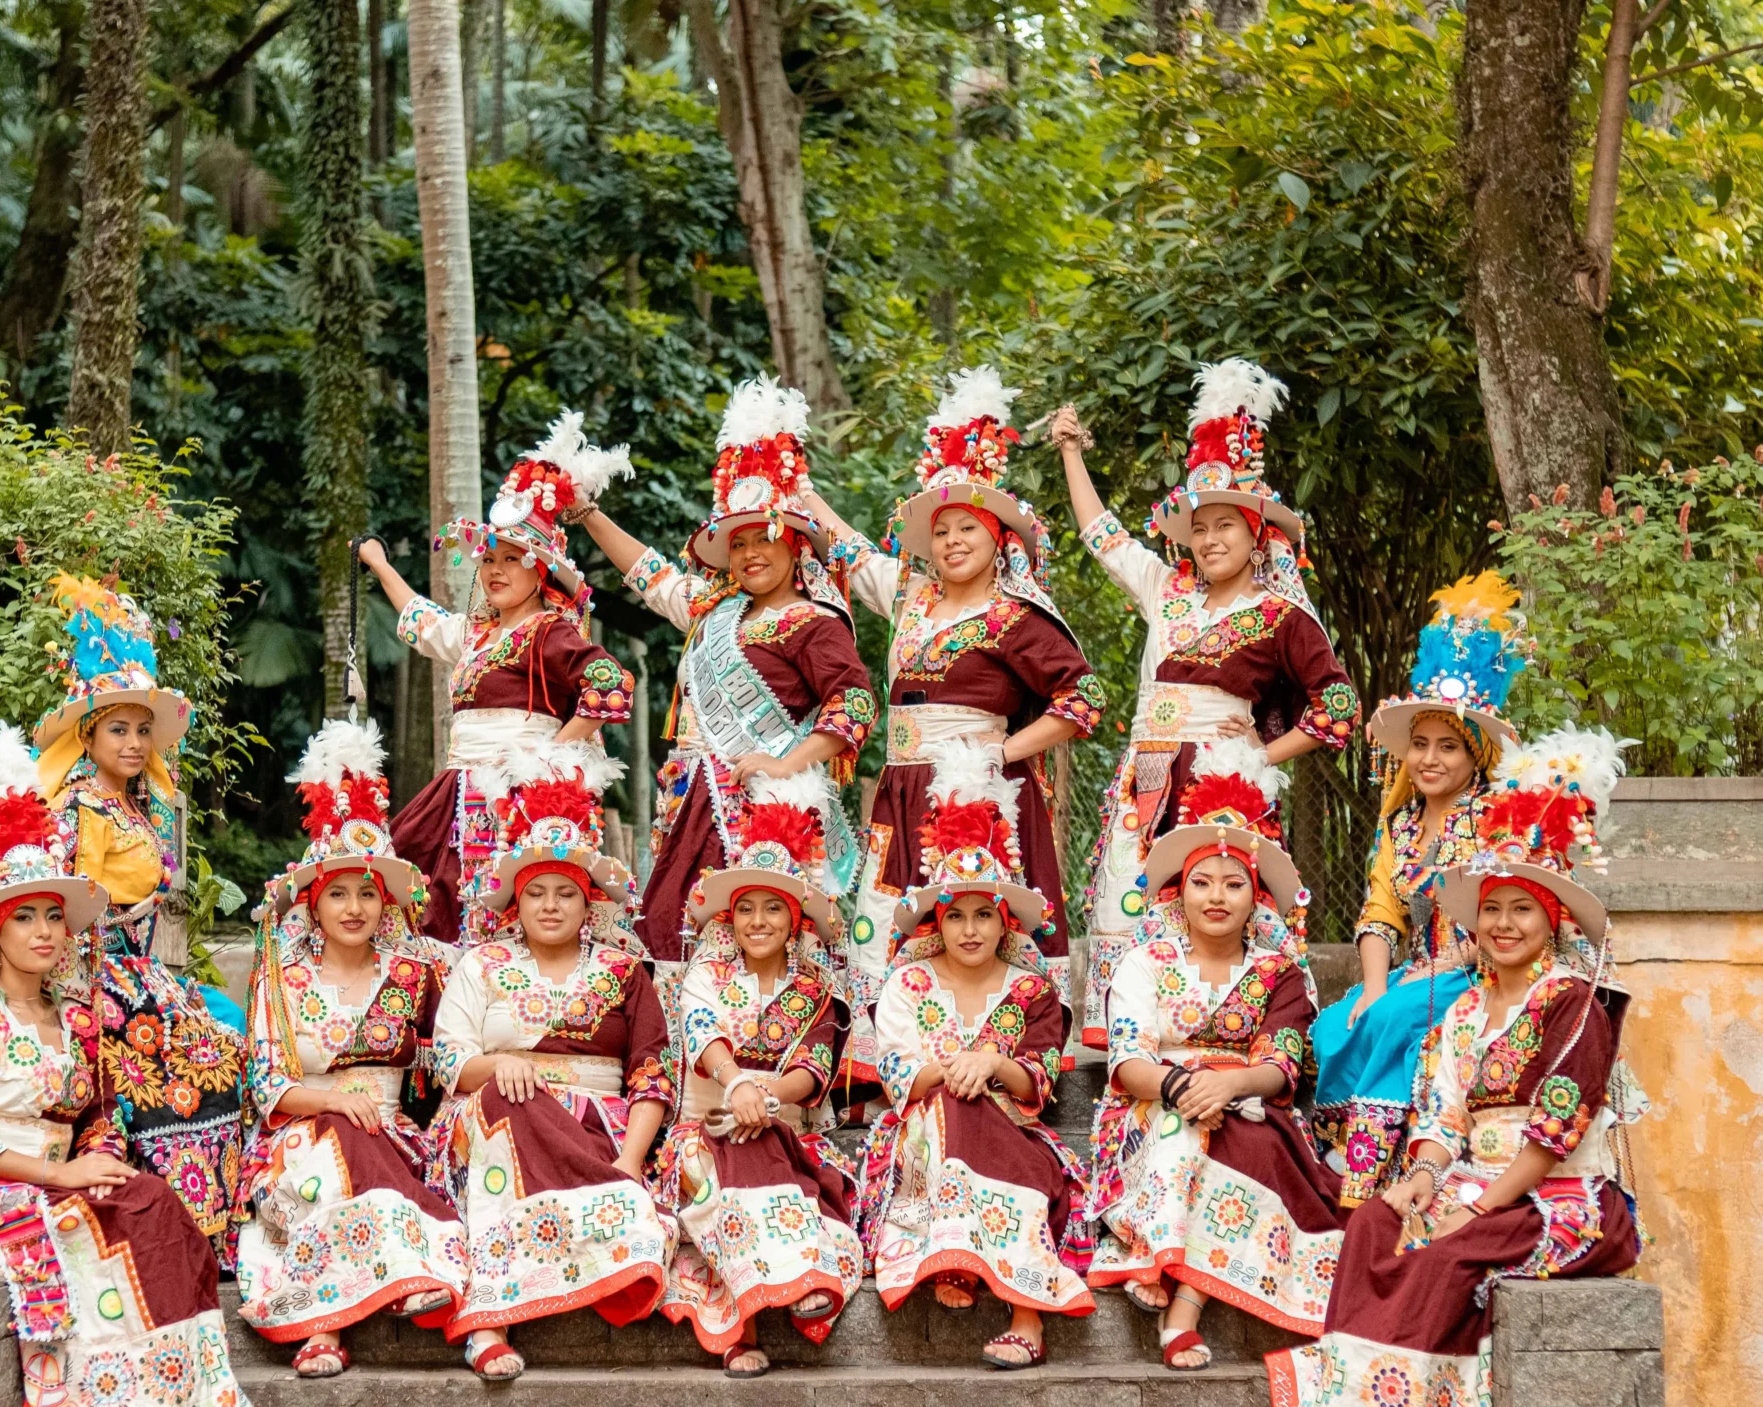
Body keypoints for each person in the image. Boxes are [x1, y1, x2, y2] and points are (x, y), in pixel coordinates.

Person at [0, 723, 264, 1407]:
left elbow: (98, 1117)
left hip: (60, 1182)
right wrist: (61, 1176)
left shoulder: (75, 1015)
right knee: (90, 1246)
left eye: (54, 914)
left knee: (153, 1208)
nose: (46, 931)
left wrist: (103, 1160)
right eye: (25, 916)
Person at [1268, 728, 1644, 1407]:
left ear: (1551, 921)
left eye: (1521, 910)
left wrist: (1477, 1202)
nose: (1504, 925)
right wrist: (1420, 1182)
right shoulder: (1464, 1012)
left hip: (1560, 1196)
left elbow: (1556, 1133)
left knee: (1444, 1255)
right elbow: (1443, 1118)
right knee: (1375, 1222)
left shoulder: (1571, 1005)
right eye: (1493, 910)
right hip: (1472, 1178)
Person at [1044, 361, 1361, 1045]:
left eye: (1227, 526)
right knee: (1130, 903)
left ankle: (1236, 1038)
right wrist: (1072, 452)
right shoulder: (1166, 590)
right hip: (1145, 777)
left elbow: (1338, 706)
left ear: (1257, 535)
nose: (1212, 538)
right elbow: (1103, 537)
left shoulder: (1279, 614)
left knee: (1220, 908)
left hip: (1224, 784)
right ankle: (1133, 1042)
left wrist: (1256, 757)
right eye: (1201, 526)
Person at [803, 367, 1106, 992]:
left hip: (980, 789)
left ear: (997, 538)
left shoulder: (1015, 614)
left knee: (976, 925)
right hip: (902, 787)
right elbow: (850, 549)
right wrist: (795, 485)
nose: (951, 540)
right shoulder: (911, 595)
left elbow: (1083, 699)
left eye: (967, 527)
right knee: (889, 922)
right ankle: (893, 1063)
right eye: (939, 531)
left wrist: (1000, 751)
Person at [573, 378, 876, 970]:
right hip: (690, 800)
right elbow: (650, 574)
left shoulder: (813, 621)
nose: (749, 554)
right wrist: (587, 515)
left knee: (751, 941)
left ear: (796, 547)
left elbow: (856, 705)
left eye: (764, 538)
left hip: (762, 806)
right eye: (736, 544)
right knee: (670, 927)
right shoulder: (714, 610)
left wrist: (787, 762)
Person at [1082, 744, 1347, 1369]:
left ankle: (1181, 1306)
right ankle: (1161, 1255)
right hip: (1152, 1104)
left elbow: (1281, 1065)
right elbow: (1126, 1061)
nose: (1217, 897)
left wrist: (1225, 1088)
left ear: (1256, 896)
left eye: (1234, 884)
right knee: (1182, 1131)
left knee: (1240, 1144)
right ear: (1181, 889)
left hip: (1249, 1107)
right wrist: (1182, 1088)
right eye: (1202, 882)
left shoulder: (1279, 972)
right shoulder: (1144, 962)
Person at [428, 750, 677, 1380]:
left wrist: (627, 1162)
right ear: (514, 900)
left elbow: (651, 1073)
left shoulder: (624, 972)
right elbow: (449, 1058)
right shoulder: (480, 965)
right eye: (535, 891)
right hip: (499, 1121)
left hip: (603, 1134)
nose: (549, 905)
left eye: (566, 892)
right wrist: (504, 1063)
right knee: (502, 1107)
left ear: (588, 901)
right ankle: (489, 1322)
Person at [235, 721, 465, 1378]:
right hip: (303, 1134)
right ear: (312, 902)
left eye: (368, 891)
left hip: (396, 1136)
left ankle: (342, 1315)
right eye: (337, 891)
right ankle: (333, 1318)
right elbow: (269, 1082)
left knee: (370, 1158)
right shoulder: (282, 979)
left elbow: (438, 1065)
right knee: (329, 1161)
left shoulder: (417, 974)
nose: (355, 905)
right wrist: (336, 1098)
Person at [357, 412, 638, 945]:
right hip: (456, 791)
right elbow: (423, 622)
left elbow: (611, 684)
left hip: (518, 795)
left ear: (542, 571)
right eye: (489, 558)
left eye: (513, 558)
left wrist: (550, 756)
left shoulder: (549, 631)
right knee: (416, 893)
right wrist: (379, 566)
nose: (496, 569)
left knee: (504, 915)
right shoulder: (477, 635)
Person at [856, 747, 1095, 1369]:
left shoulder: (1032, 988)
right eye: (955, 915)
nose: (969, 929)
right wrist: (958, 1069)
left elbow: (1038, 1077)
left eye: (983, 915)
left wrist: (994, 1065)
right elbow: (898, 1072)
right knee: (951, 1109)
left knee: (989, 1125)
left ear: (1005, 920)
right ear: (936, 920)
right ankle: (957, 1255)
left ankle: (1025, 1314)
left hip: (1013, 1129)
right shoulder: (907, 984)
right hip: (922, 1128)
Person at [36, 575, 249, 1266]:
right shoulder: (78, 808)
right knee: (205, 1059)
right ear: (90, 735)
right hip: (95, 980)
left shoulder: (131, 808)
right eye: (118, 730)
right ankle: (178, 1239)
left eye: (140, 731)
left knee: (234, 1037)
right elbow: (68, 906)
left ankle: (210, 1235)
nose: (133, 743)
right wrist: (121, 910)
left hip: (140, 970)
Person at [1313, 574, 1528, 1205]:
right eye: (1420, 746)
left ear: (1477, 757)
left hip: (1480, 968)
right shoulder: (1400, 822)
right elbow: (1381, 909)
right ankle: (1343, 1144)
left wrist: (1427, 977)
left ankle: (1370, 1175)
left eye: (1449, 747)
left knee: (1401, 1014)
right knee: (1337, 1022)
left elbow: (1510, 913)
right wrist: (1375, 983)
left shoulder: (1495, 819)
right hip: (1415, 970)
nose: (1430, 759)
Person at [654, 773, 864, 1375]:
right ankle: (746, 1321)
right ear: (730, 916)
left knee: (768, 1150)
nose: (759, 920)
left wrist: (766, 1099)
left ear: (796, 919)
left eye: (774, 908)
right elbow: (702, 1034)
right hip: (705, 1129)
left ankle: (771, 1296)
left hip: (787, 1133)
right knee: (724, 1163)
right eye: (745, 908)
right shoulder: (704, 974)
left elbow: (812, 1068)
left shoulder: (816, 989)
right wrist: (739, 1086)